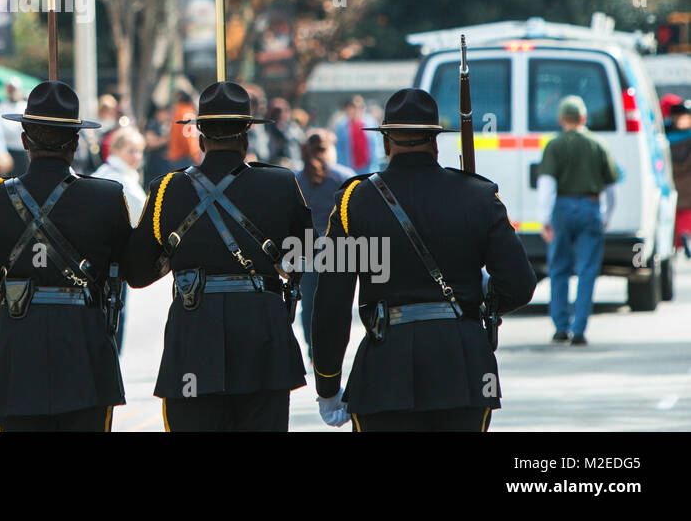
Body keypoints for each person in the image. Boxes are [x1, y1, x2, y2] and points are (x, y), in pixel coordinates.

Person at [313, 87, 537, 432]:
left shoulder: (353, 202)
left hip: (385, 367)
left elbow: (332, 303)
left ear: (386, 142)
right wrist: (480, 308)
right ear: (435, 141)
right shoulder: (478, 196)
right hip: (462, 366)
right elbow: (519, 284)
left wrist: (328, 384)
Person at [123, 81, 311, 431]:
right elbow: (303, 261)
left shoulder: (167, 189)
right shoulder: (281, 184)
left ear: (200, 137)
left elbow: (136, 273)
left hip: (194, 339)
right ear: (247, 136)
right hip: (263, 342)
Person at [0, 81, 131, 431]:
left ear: (24, 140)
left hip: (16, 351)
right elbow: (129, 269)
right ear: (75, 143)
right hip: (84, 350)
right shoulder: (107, 197)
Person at [538, 95, 620, 346]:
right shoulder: (598, 145)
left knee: (559, 268)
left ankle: (561, 326)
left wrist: (544, 219)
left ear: (561, 119)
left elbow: (546, 185)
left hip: (561, 208)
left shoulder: (554, 145)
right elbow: (611, 189)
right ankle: (580, 328)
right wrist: (605, 216)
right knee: (587, 270)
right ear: (584, 118)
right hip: (590, 207)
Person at [294, 129, 356, 352]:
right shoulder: (344, 177)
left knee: (309, 303)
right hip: (337, 250)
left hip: (305, 249)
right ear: (329, 149)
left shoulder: (296, 179)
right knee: (337, 303)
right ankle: (332, 352)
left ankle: (313, 349)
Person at [92, 125, 147, 354]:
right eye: (131, 150)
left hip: (96, 257)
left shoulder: (104, 172)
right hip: (114, 260)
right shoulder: (120, 179)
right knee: (114, 316)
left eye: (139, 151)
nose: (136, 156)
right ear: (116, 150)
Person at [666, 99, 691, 257]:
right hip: (676, 185)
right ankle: (679, 241)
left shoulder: (664, 134)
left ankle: (682, 239)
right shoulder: (664, 134)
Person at [166, 89, 203, 170]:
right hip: (185, 157)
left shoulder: (178, 111)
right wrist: (195, 156)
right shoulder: (187, 112)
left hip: (176, 156)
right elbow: (188, 138)